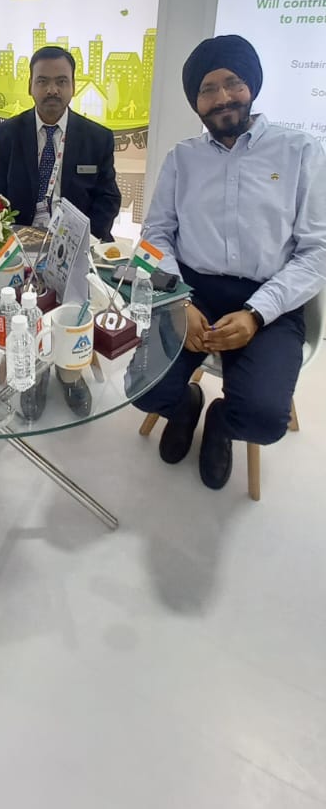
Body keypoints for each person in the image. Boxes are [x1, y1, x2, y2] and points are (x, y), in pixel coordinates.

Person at [135, 35, 326, 490]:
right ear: (195, 101)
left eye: (233, 83)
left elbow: (317, 251)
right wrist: (178, 301)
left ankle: (221, 422)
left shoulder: (301, 151)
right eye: (208, 89)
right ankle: (186, 405)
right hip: (192, 290)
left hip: (270, 297)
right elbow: (154, 237)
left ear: (251, 86)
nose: (222, 97)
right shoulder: (182, 158)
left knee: (264, 419)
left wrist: (258, 313)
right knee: (143, 388)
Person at [0, 45, 121, 240]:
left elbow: (108, 199)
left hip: (77, 241)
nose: (52, 90)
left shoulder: (98, 138)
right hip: (19, 240)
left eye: (61, 82)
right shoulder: (7, 134)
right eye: (42, 81)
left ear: (73, 86)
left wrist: (81, 240)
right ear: (30, 86)